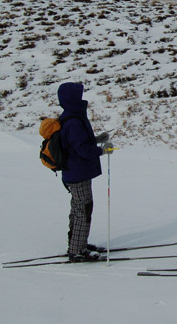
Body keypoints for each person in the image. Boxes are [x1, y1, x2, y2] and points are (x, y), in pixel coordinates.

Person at [56, 82, 113, 262]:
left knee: (78, 207)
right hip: (77, 172)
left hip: (75, 172)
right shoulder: (73, 120)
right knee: (83, 209)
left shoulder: (71, 116)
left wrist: (97, 139)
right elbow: (82, 149)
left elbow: (78, 143)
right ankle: (77, 250)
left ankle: (77, 243)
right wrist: (102, 150)